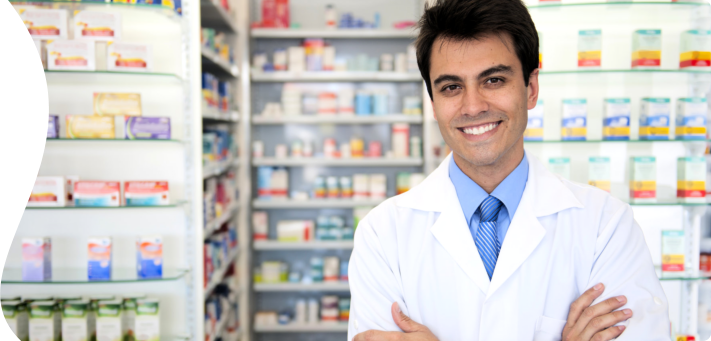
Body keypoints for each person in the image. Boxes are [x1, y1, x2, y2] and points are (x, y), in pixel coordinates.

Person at [347, 0, 670, 340]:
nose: (473, 107)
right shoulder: (383, 235)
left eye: (494, 80)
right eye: (451, 87)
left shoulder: (606, 226)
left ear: (530, 88)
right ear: (433, 102)